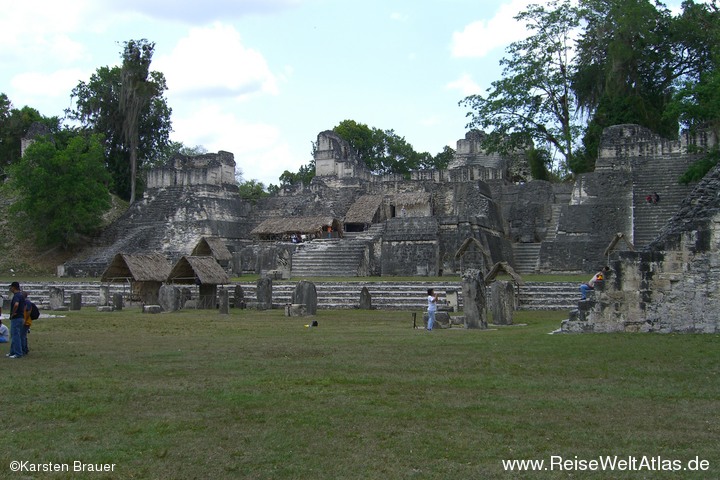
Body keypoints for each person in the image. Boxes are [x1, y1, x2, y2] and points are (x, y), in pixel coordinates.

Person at [7, 281, 25, 358]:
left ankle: (18, 353)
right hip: (21, 317)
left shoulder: (16, 296)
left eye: (11, 287)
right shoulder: (21, 295)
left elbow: (16, 304)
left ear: (14, 287)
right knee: (14, 335)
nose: (10, 288)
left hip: (16, 318)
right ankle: (12, 352)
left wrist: (13, 313)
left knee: (15, 336)